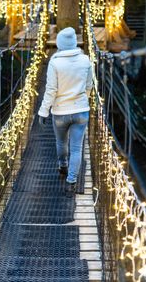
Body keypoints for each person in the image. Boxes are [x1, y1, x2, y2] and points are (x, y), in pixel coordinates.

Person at [38, 27, 93, 197]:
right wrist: (83, 100)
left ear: (60, 44)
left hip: (60, 112)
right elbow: (89, 86)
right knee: (77, 148)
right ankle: (71, 181)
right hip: (81, 111)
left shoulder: (54, 62)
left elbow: (51, 90)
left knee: (62, 143)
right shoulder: (86, 60)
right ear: (74, 43)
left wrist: (43, 111)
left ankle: (63, 165)